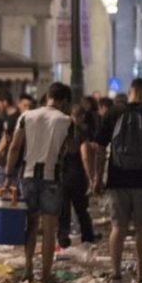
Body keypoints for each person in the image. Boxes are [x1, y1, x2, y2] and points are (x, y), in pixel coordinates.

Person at [96, 78, 142, 283]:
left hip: (117, 179)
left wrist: (97, 177)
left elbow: (99, 148)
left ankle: (116, 277)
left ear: (130, 90)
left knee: (118, 228)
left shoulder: (113, 113)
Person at [3, 82, 73, 283]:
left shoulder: (26, 116)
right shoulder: (66, 120)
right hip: (51, 177)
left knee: (31, 225)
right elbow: (71, 148)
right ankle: (47, 274)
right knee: (50, 228)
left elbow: (15, 147)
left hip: (27, 175)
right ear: (64, 101)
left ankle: (28, 269)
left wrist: (8, 175)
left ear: (47, 96)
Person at [57, 104, 98, 248]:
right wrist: (91, 176)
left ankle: (63, 239)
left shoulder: (60, 131)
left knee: (63, 210)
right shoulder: (81, 132)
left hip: (62, 175)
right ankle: (88, 238)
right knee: (81, 210)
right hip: (77, 176)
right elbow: (85, 154)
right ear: (81, 116)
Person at [0, 90, 20, 186]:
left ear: (5, 102)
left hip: (11, 160)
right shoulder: (7, 117)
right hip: (6, 159)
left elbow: (7, 139)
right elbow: (5, 137)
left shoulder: (15, 118)